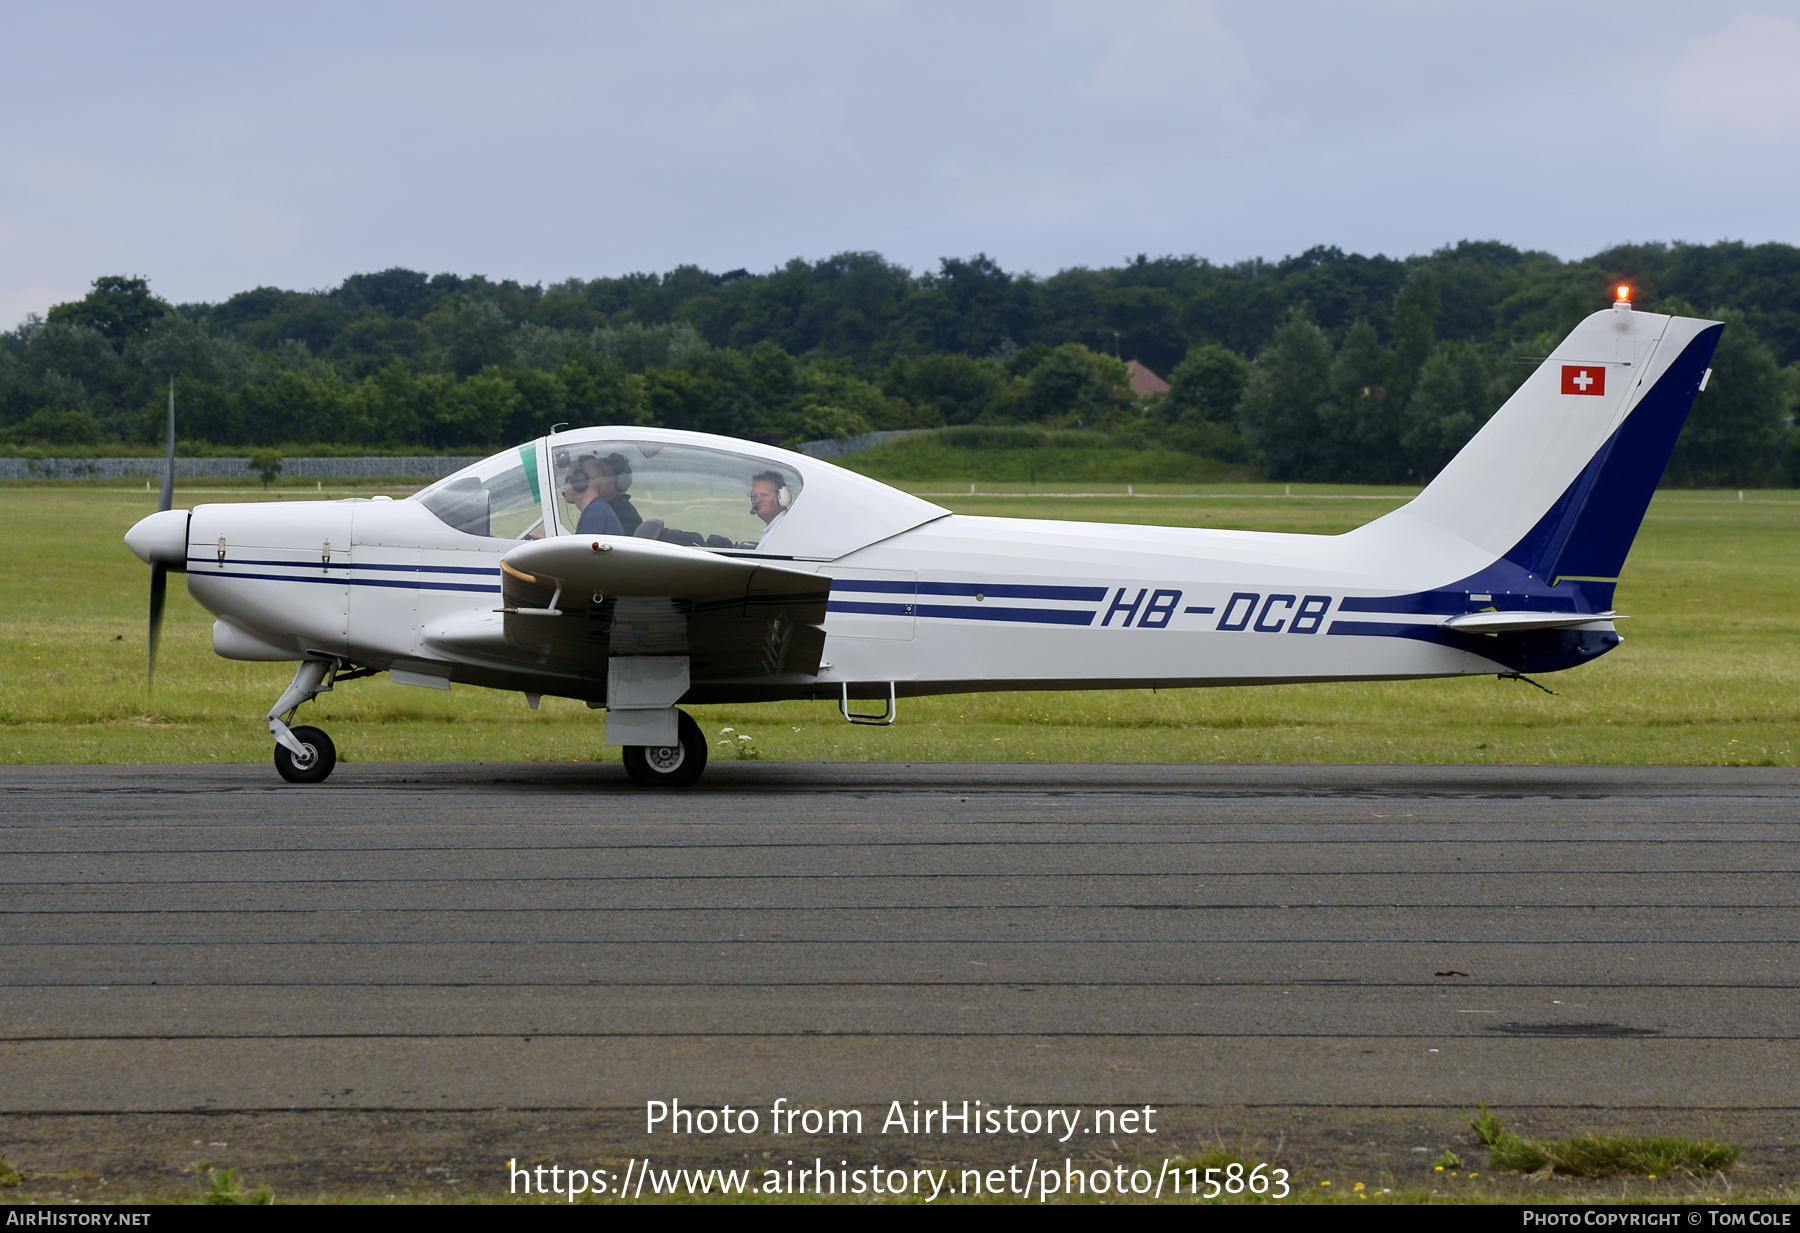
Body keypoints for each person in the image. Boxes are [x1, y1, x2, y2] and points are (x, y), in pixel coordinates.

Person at [564, 455, 623, 536]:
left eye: (567, 479)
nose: (564, 486)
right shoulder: (597, 509)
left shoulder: (594, 514)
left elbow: (583, 548)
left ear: (579, 480)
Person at [593, 452, 642, 536]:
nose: (595, 481)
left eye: (603, 476)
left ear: (620, 480)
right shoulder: (610, 509)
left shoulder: (623, 515)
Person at [749, 471, 788, 541]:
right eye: (754, 496)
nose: (758, 500)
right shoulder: (774, 528)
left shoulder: (782, 531)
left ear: (782, 496)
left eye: (764, 495)